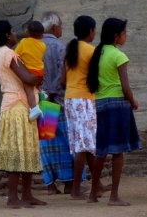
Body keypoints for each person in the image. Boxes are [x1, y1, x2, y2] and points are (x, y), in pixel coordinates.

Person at [0, 20, 46, 209]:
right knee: (18, 151)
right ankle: (14, 197)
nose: (15, 35)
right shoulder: (8, 54)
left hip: (17, 105)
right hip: (17, 106)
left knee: (26, 150)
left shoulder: (0, 53)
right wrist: (40, 76)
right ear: (6, 36)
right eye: (12, 32)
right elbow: (27, 78)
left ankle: (26, 195)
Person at [87, 18, 141, 205]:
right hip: (118, 104)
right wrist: (133, 101)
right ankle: (114, 196)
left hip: (101, 103)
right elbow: (125, 86)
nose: (125, 35)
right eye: (124, 32)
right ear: (116, 35)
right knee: (118, 151)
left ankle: (93, 194)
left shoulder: (98, 53)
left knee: (101, 150)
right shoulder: (119, 56)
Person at [38, 11, 75, 195]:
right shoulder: (61, 47)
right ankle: (69, 182)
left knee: (47, 143)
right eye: (61, 25)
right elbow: (63, 75)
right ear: (54, 27)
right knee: (68, 141)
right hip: (60, 100)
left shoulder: (35, 46)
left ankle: (50, 184)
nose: (62, 28)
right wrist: (53, 92)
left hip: (43, 101)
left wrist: (45, 94)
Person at [63, 15, 97, 199]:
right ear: (91, 31)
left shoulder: (70, 49)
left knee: (85, 143)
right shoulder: (91, 51)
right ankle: (76, 190)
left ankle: (96, 184)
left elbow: (63, 80)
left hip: (70, 98)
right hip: (84, 99)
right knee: (84, 146)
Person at [15, 20, 46, 120]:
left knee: (29, 90)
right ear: (42, 35)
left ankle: (34, 109)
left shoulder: (24, 42)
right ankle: (42, 93)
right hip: (40, 71)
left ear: (27, 32)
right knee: (36, 87)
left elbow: (16, 54)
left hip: (30, 71)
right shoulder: (43, 45)